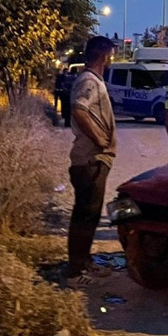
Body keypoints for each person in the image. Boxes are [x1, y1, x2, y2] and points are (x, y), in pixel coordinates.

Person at [66, 36, 117, 284]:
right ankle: (76, 271)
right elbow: (79, 110)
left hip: (94, 160)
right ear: (103, 56)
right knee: (85, 216)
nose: (111, 60)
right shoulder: (89, 81)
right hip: (89, 160)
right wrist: (99, 139)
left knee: (90, 215)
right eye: (111, 56)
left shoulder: (94, 80)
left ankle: (83, 261)